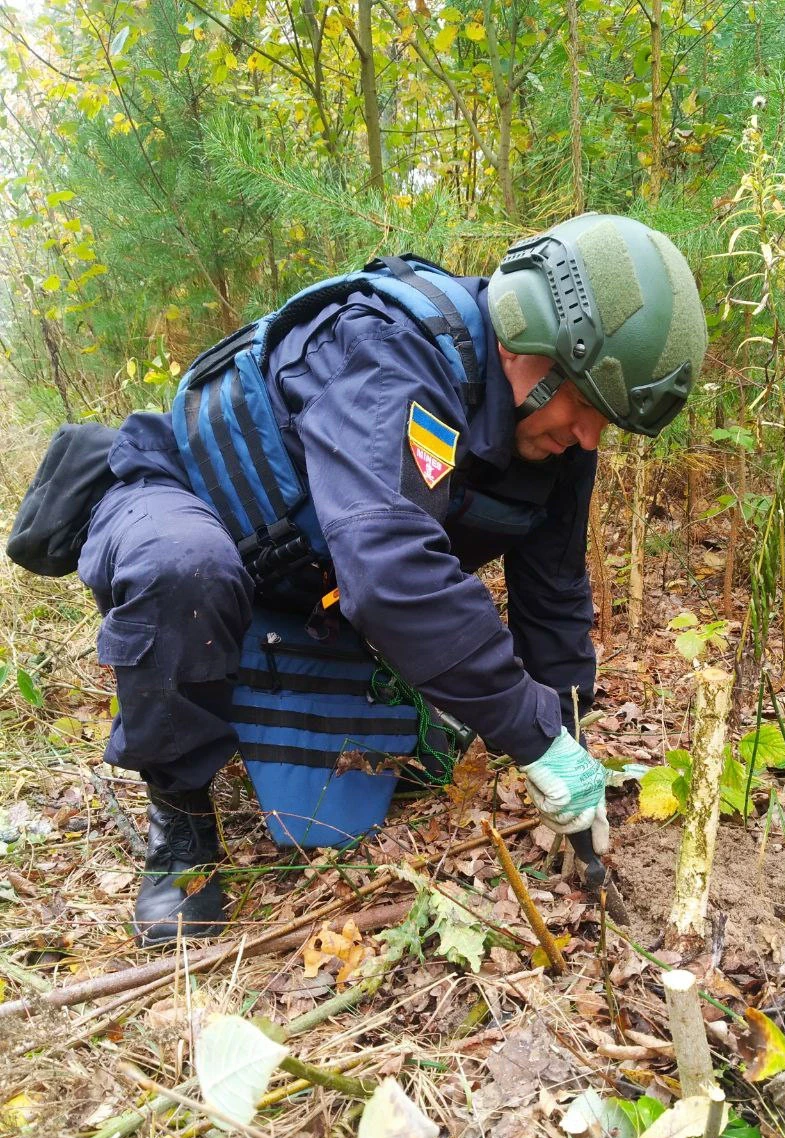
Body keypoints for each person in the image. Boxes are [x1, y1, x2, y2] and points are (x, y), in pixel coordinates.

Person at [76, 212, 707, 944]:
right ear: (532, 342)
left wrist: (565, 746)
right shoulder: (393, 350)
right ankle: (180, 827)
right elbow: (388, 564)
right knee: (184, 569)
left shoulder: (558, 445)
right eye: (587, 405)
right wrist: (528, 733)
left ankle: (277, 692)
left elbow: (555, 596)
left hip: (307, 594)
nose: (590, 436)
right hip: (180, 511)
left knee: (331, 820)